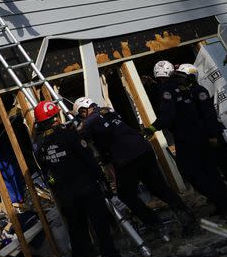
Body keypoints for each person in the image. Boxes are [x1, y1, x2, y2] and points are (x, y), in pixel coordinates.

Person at [73, 97, 198, 237]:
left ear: (83, 111)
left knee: (125, 194)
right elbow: (107, 136)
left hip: (127, 158)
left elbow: (78, 136)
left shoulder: (90, 121)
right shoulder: (108, 111)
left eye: (80, 115)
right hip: (143, 150)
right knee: (159, 188)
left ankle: (154, 223)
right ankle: (187, 218)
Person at [32, 100, 126, 257]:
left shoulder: (41, 146)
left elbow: (47, 173)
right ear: (55, 118)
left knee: (77, 232)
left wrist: (57, 184)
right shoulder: (70, 135)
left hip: (66, 196)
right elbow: (88, 159)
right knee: (101, 228)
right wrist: (103, 180)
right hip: (88, 188)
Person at [149, 64, 227, 216]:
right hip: (201, 135)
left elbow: (168, 114)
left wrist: (152, 128)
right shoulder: (185, 88)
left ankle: (222, 203)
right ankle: (226, 202)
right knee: (210, 170)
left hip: (187, 138)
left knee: (192, 173)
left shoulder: (166, 89)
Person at [176, 63, 227, 197]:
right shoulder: (186, 94)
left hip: (212, 134)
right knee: (212, 169)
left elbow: (209, 115)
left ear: (190, 77)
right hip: (201, 137)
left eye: (182, 76)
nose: (179, 80)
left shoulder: (199, 91)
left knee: (226, 165)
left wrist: (213, 135)